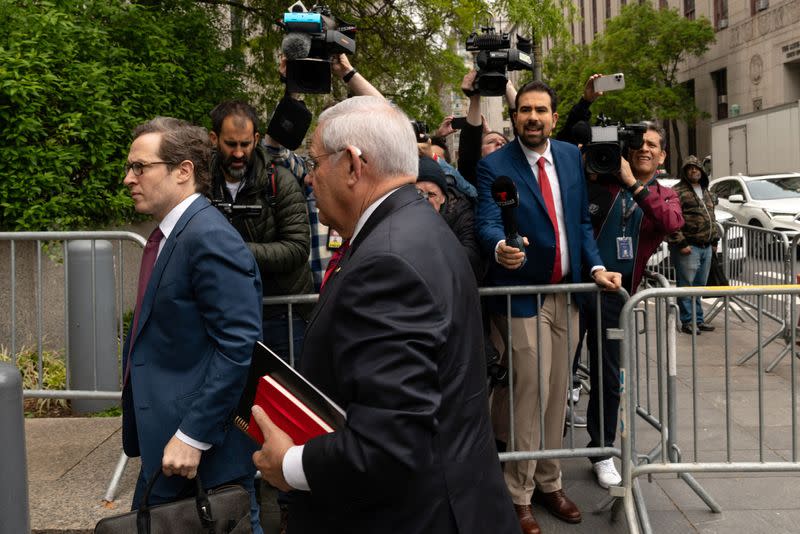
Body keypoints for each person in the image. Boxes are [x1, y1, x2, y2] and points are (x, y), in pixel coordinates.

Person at [250, 95, 519, 534]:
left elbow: (390, 443)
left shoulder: (389, 261)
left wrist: (290, 464)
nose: (310, 179)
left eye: (315, 162)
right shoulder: (417, 225)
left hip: (413, 515)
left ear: (354, 165)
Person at [475, 80, 621, 534]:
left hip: (567, 293)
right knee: (529, 391)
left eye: (541, 110)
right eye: (525, 110)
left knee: (558, 393)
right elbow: (486, 221)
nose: (533, 117)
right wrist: (500, 247)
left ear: (554, 117)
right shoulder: (494, 165)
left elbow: (579, 223)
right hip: (520, 296)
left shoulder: (570, 158)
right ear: (515, 116)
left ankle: (549, 481)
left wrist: (595, 268)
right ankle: (516, 492)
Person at [120, 117, 263, 531]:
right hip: (167, 449)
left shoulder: (208, 236)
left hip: (200, 456)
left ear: (183, 171)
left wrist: (192, 435)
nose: (129, 178)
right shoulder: (173, 234)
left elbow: (238, 346)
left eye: (140, 167)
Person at [581, 123, 684, 489]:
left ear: (662, 156)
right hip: (574, 289)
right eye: (639, 144)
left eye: (653, 145)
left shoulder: (664, 195)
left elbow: (671, 222)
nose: (645, 149)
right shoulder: (599, 180)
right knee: (553, 371)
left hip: (616, 298)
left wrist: (634, 186)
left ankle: (602, 450)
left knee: (609, 376)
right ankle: (533, 458)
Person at [208, 100, 312, 364]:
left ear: (256, 139)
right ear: (214, 139)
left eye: (246, 144)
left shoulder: (280, 182)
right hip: (224, 314)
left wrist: (235, 251)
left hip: (281, 314)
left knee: (286, 398)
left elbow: (297, 248)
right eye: (231, 144)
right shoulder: (201, 184)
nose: (240, 153)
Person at [667, 154, 718, 334]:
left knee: (698, 286)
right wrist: (681, 243)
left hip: (706, 247)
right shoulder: (677, 191)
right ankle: (688, 322)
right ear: (685, 172)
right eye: (689, 168)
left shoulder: (706, 191)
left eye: (696, 168)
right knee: (686, 286)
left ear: (702, 171)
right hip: (688, 247)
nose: (694, 170)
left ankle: (699, 320)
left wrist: (714, 241)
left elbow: (712, 218)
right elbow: (671, 221)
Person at [416, 155, 483, 278]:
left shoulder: (461, 213)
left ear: (443, 197)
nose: (425, 200)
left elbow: (472, 258)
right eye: (418, 194)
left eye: (431, 194)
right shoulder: (401, 215)